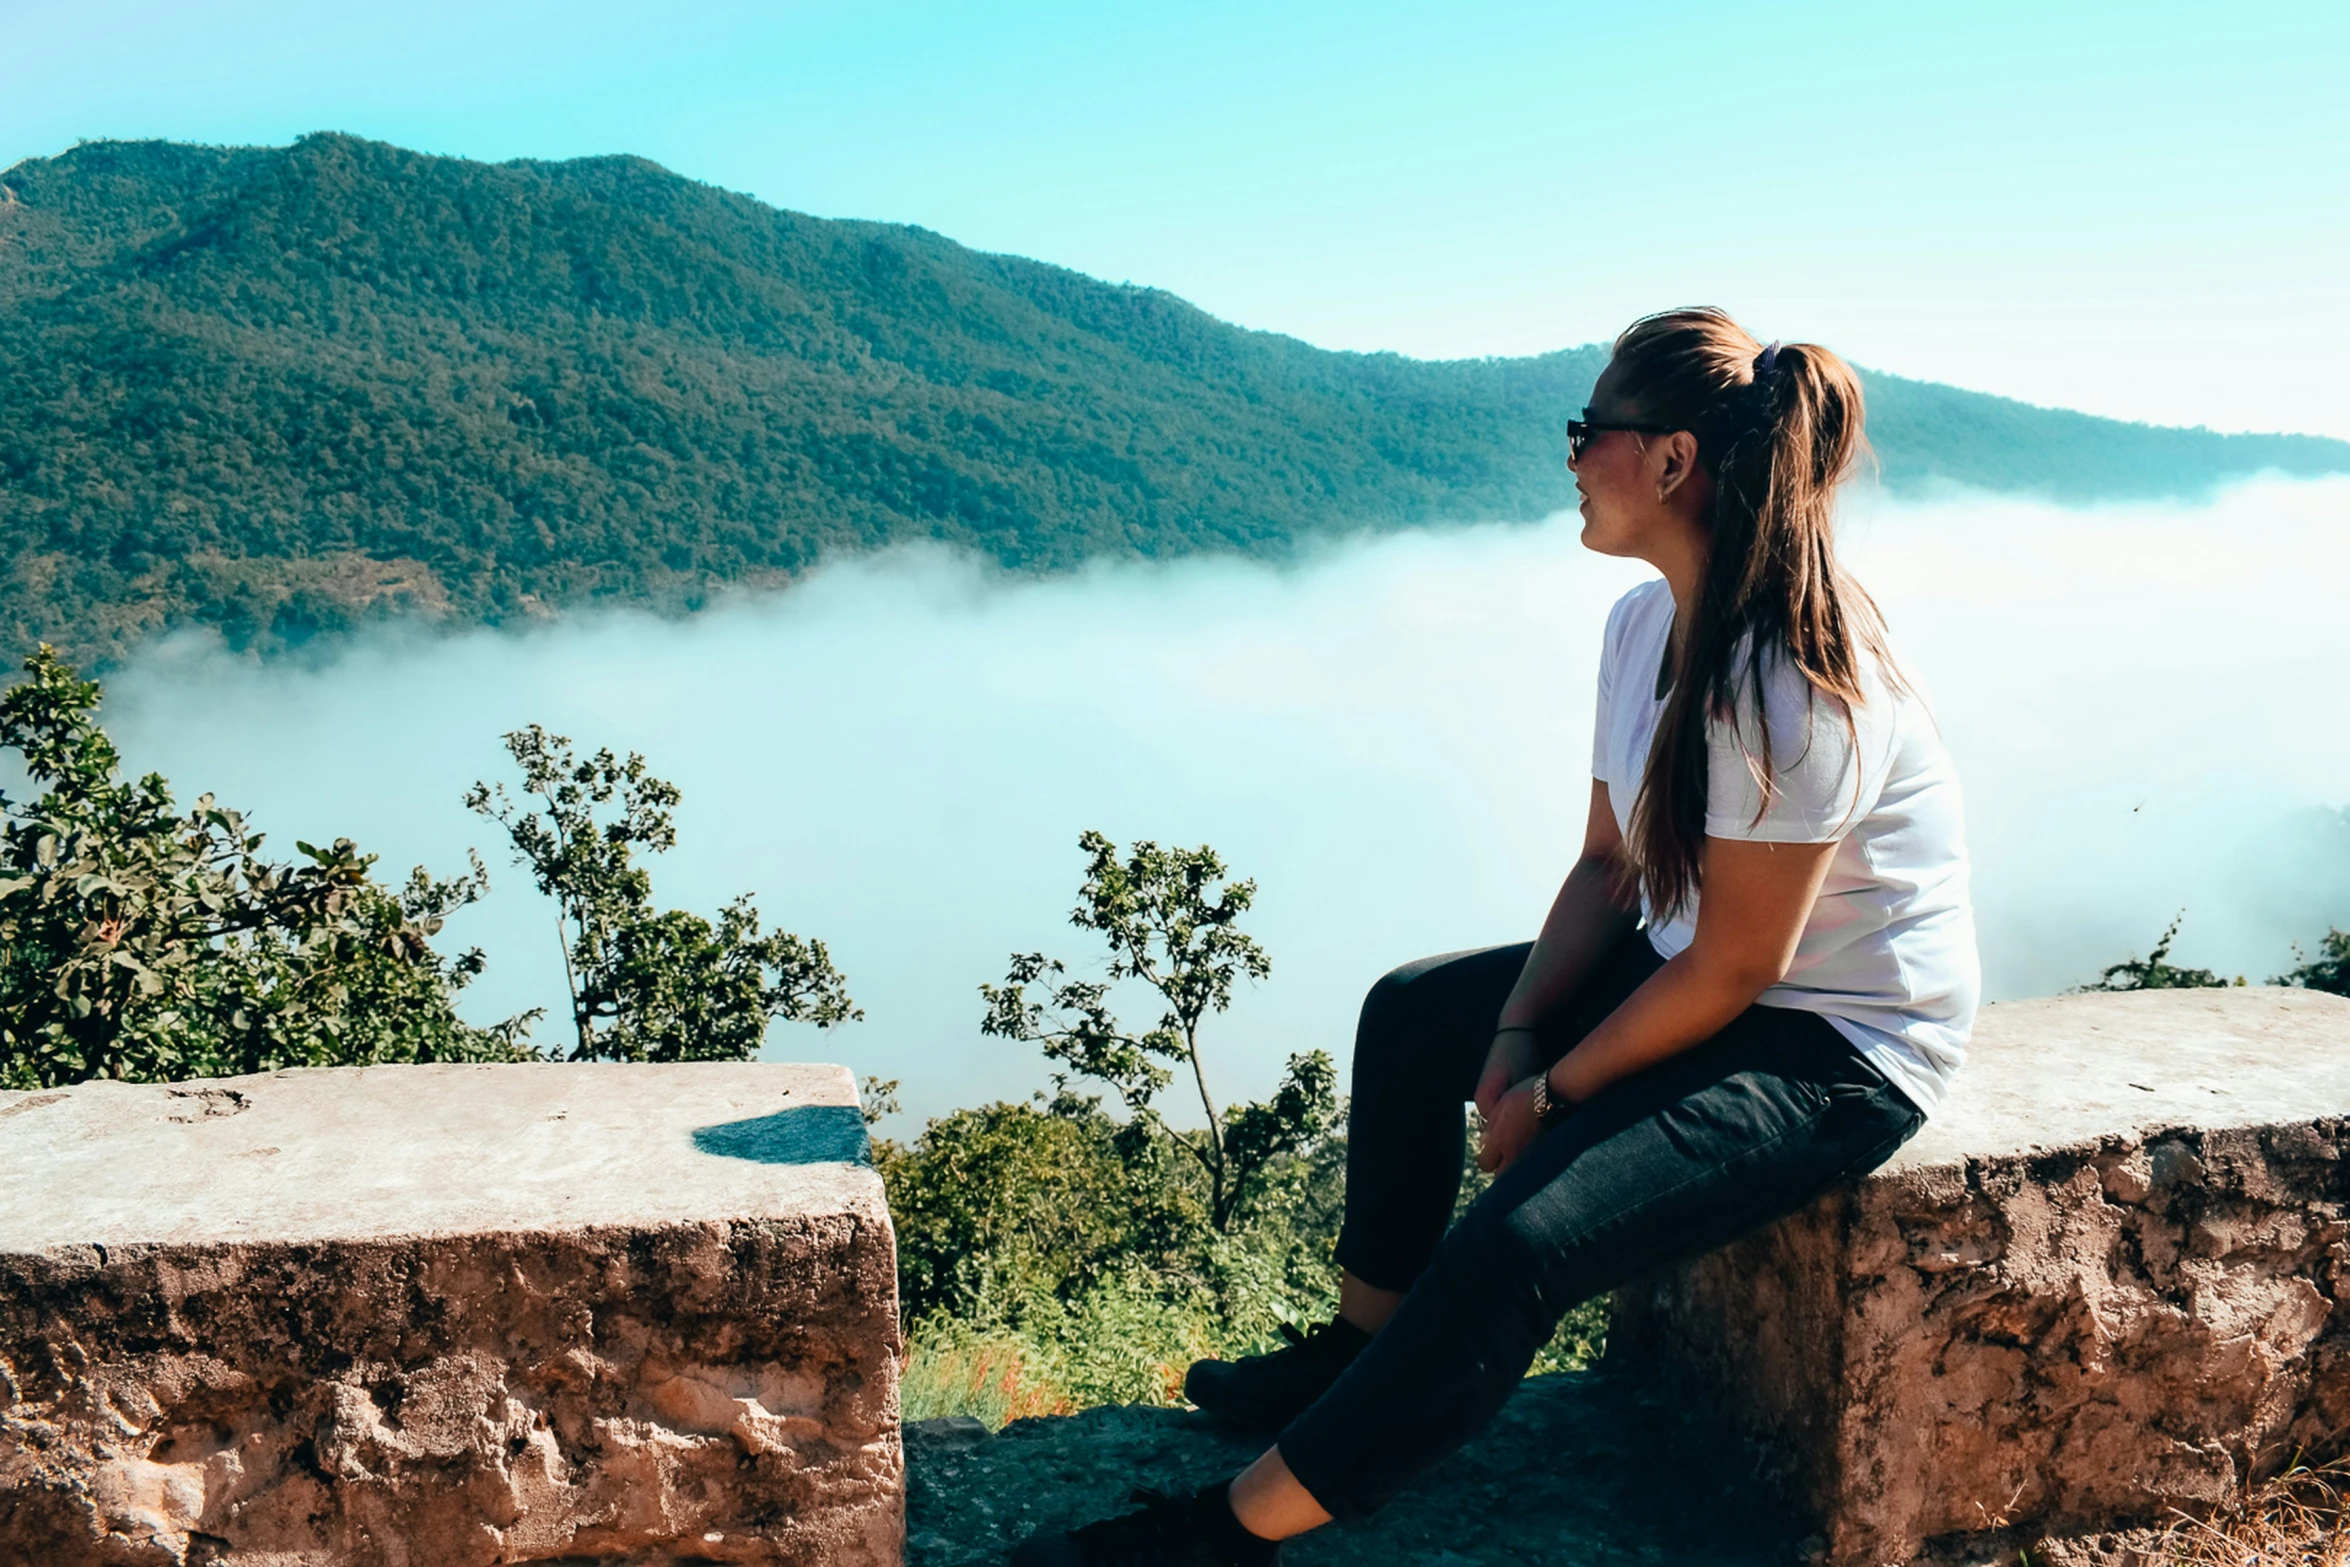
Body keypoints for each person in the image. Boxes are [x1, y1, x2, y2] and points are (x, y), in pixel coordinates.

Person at [1009, 307, 1980, 1566]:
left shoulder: (1785, 677)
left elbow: (1742, 966)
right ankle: (1361, 1353)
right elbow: (1606, 864)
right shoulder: (1644, 629)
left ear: (1672, 460)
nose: (1572, 456)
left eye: (1591, 432)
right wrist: (1513, 1033)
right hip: (1707, 971)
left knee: (1519, 1242)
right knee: (1413, 1012)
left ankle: (1223, 1537)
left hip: (1832, 1044)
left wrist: (1553, 1092)